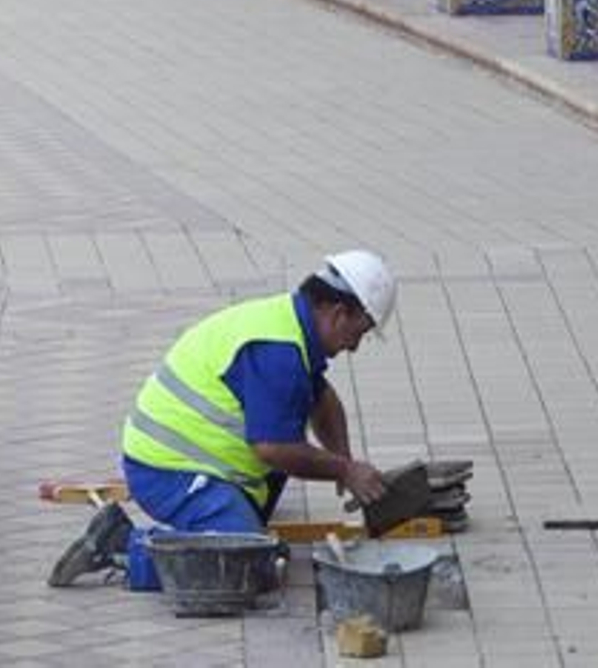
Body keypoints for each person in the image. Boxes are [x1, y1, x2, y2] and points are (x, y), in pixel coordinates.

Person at [47, 250, 396, 587]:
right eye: (360, 332)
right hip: (168, 471)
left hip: (193, 461)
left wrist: (343, 461)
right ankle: (123, 544)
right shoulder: (279, 352)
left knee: (280, 464)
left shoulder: (289, 321)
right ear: (337, 313)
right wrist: (343, 470)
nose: (355, 346)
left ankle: (232, 523)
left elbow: (321, 398)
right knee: (250, 566)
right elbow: (273, 449)